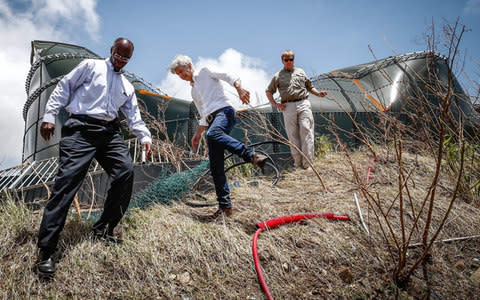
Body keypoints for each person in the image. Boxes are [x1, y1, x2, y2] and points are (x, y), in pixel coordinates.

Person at [35, 38, 152, 278]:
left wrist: (145, 137)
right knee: (66, 183)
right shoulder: (91, 66)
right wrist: (49, 115)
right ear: (111, 51)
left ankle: (104, 229)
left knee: (125, 172)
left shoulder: (126, 86)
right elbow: (64, 87)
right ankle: (46, 251)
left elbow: (134, 117)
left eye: (125, 58)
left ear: (129, 59)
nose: (120, 60)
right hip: (80, 129)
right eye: (118, 55)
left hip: (109, 132)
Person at [168, 55, 267, 219]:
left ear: (189, 66)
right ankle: (225, 208)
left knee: (213, 134)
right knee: (216, 167)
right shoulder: (193, 91)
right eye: (178, 74)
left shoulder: (206, 72)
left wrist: (239, 89)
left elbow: (229, 76)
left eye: (181, 71)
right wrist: (197, 135)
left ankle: (251, 155)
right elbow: (203, 115)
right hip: (212, 121)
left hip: (224, 112)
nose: (181, 76)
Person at [266, 50, 327, 170]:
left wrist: (318, 93)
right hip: (288, 106)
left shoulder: (301, 72)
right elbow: (269, 91)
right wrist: (276, 104)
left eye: (291, 59)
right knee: (293, 135)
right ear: (282, 61)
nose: (289, 62)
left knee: (306, 131)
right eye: (286, 60)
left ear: (294, 60)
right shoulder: (277, 76)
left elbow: (310, 87)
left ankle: (308, 164)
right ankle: (298, 165)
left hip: (303, 103)